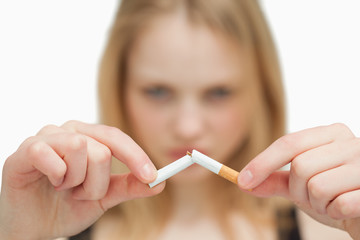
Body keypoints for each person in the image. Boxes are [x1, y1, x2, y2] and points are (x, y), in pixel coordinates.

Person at [0, 0, 359, 239]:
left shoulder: (326, 226)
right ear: (119, 87)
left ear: (261, 91)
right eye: (157, 91)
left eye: (219, 93)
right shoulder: (59, 224)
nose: (188, 127)